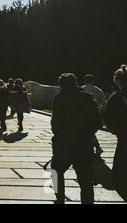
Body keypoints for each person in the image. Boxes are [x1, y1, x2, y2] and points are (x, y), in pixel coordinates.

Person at [51, 73, 102, 204]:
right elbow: (97, 123)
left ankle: (59, 198)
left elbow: (55, 124)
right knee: (85, 178)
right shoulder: (88, 97)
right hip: (83, 144)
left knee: (56, 171)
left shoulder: (59, 98)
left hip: (64, 144)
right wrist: (86, 133)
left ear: (61, 85)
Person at [104, 65, 127, 202]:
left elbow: (107, 116)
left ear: (118, 80)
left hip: (124, 137)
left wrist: (115, 129)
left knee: (119, 175)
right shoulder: (117, 96)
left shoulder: (116, 97)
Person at [82, 74, 107, 158]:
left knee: (87, 132)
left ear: (85, 80)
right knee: (90, 132)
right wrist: (100, 111)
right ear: (93, 81)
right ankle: (96, 148)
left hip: (83, 114)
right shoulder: (99, 90)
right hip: (95, 114)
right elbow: (104, 103)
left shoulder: (81, 89)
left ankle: (96, 147)